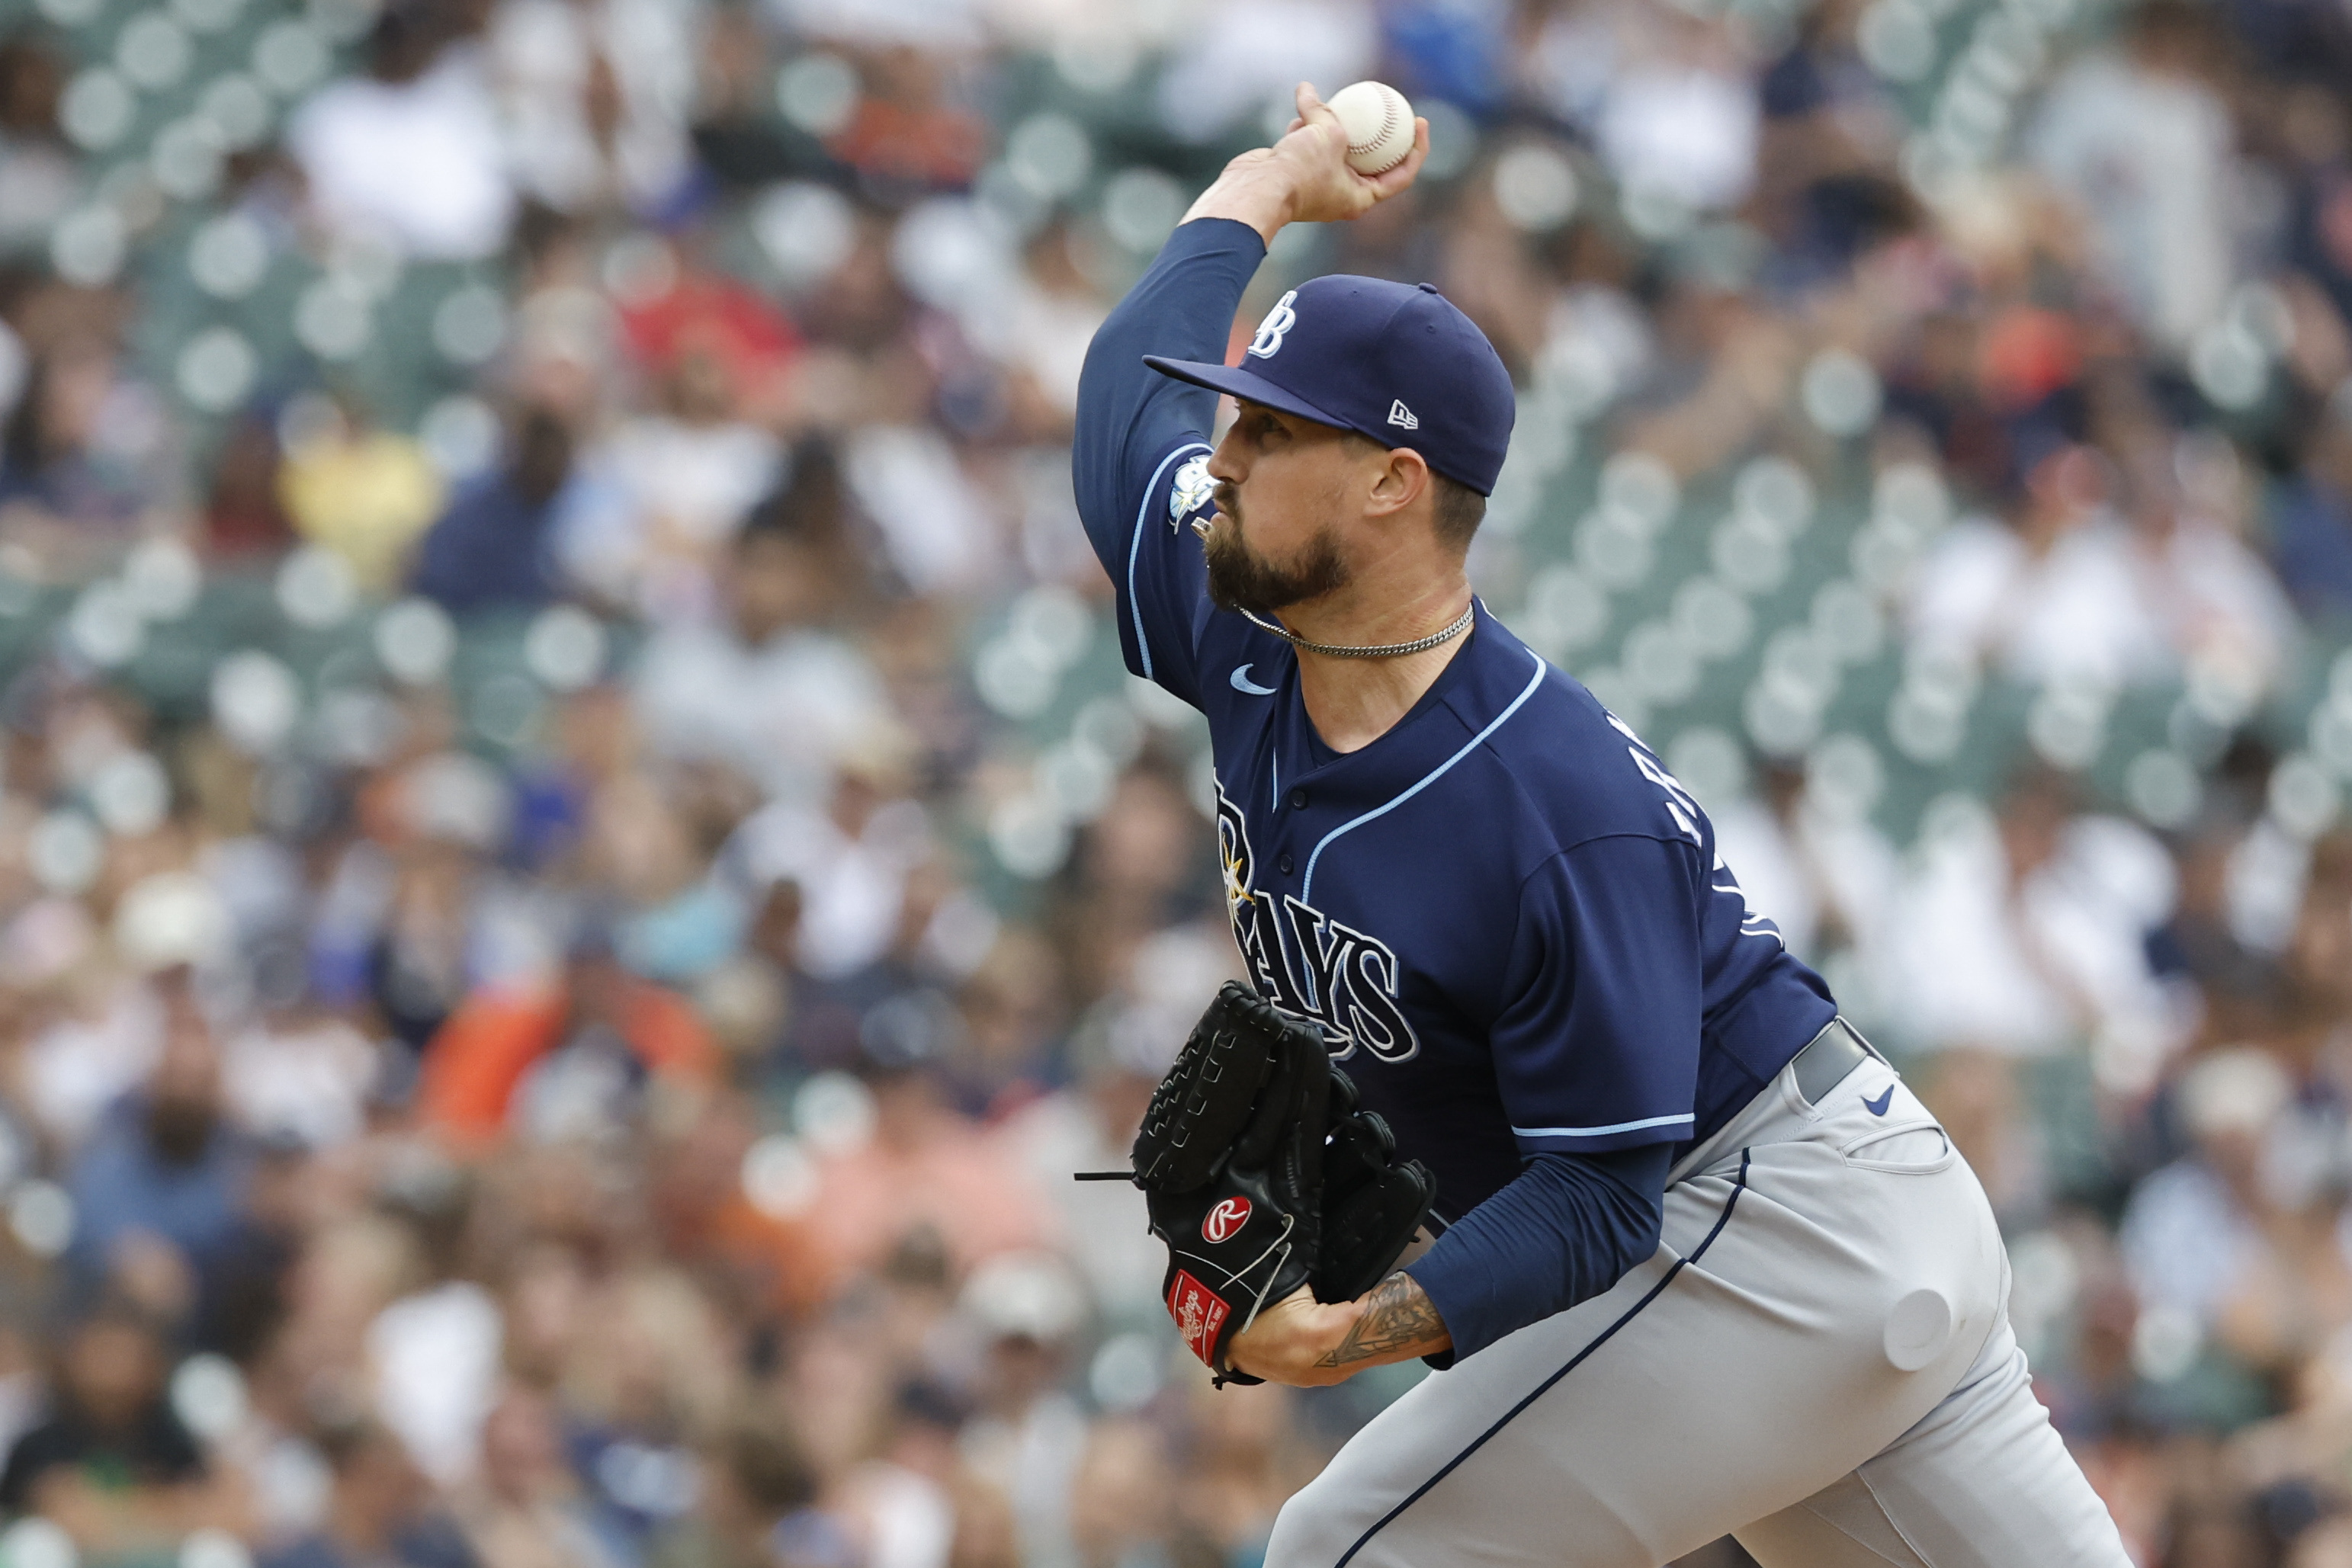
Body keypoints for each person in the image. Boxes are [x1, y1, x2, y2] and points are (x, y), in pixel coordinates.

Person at [1070, 82, 2132, 1566]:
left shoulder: (1555, 805)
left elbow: (1597, 1203)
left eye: (1265, 431)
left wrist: (1353, 1335)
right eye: (1232, 420)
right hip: (1826, 1252)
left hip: (1772, 1223)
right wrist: (1268, 177)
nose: (1222, 458)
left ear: (1391, 486)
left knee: (1344, 1551)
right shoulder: (1238, 618)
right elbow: (1125, 391)